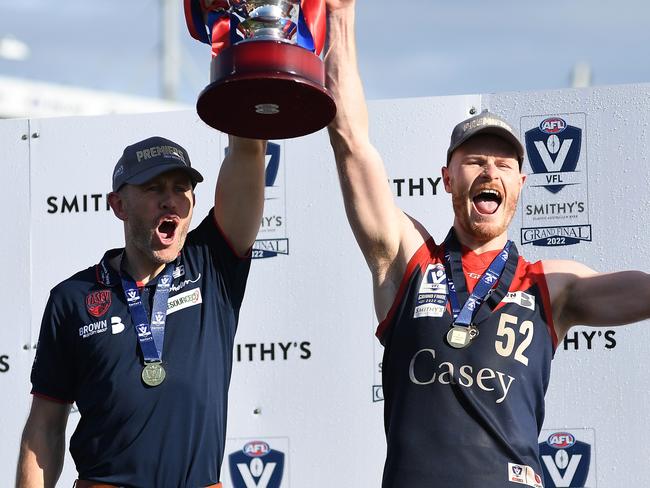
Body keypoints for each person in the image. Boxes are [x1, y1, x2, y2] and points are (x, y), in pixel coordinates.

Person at [324, 1, 650, 487]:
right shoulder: (408, 260)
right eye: (475, 161)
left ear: (520, 183)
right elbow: (350, 138)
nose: (490, 171)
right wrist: (339, 15)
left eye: (503, 165)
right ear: (448, 179)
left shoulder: (549, 284)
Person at [16, 135, 266, 488]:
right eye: (153, 189)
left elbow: (248, 150)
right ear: (119, 205)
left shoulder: (212, 264)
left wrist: (251, 100)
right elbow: (45, 427)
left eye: (181, 188)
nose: (170, 201)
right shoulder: (72, 299)